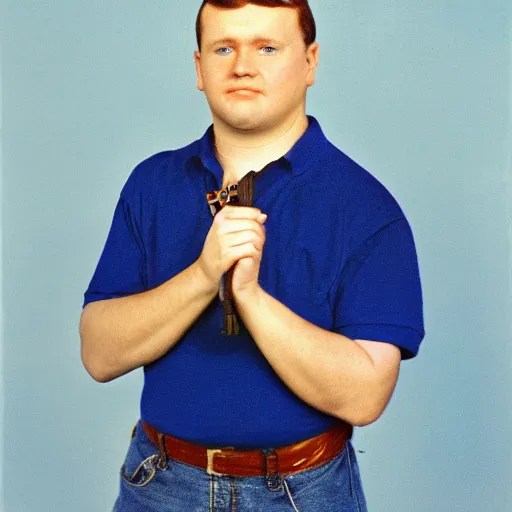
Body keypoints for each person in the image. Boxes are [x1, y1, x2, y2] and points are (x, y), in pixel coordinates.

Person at [80, 1, 425, 510]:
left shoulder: (368, 209)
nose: (243, 65)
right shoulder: (150, 185)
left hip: (301, 491)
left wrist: (250, 298)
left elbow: (365, 395)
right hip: (159, 483)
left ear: (310, 62)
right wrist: (202, 276)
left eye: (267, 46)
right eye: (224, 47)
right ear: (199, 68)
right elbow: (99, 354)